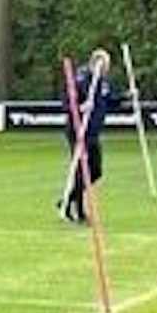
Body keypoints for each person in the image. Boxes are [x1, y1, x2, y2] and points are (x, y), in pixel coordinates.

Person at [59, 46, 121, 223]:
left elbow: (109, 101)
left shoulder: (102, 81)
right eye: (105, 65)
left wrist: (127, 96)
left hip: (93, 133)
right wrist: (79, 108)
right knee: (81, 170)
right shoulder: (81, 79)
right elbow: (66, 103)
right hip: (78, 131)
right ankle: (77, 211)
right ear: (96, 63)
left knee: (96, 170)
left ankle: (68, 199)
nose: (107, 69)